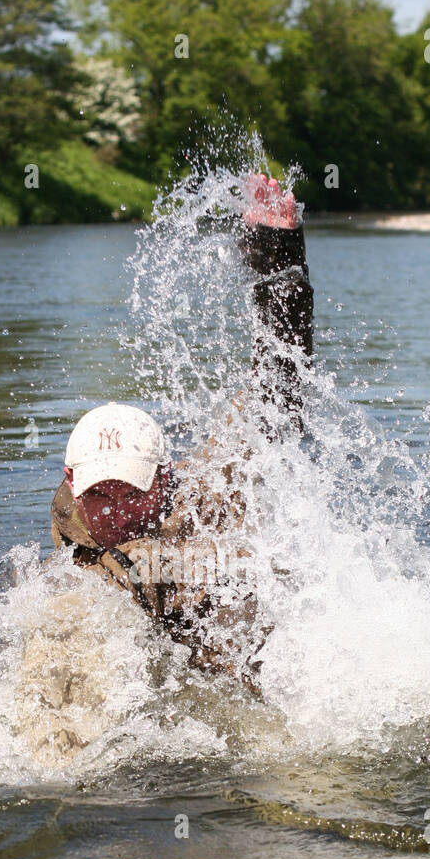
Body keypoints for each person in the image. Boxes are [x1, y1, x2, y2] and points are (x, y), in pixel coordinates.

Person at [48, 172, 314, 688]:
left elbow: (278, 393)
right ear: (73, 484)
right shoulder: (72, 574)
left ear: (164, 479)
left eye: (131, 490)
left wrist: (279, 259)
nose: (115, 510)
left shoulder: (208, 492)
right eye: (100, 494)